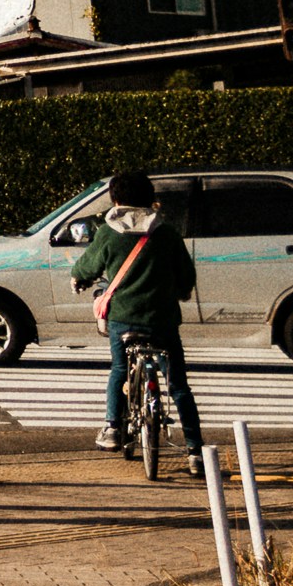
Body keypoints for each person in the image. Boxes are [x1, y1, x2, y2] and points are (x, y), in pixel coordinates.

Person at [73, 169, 202, 459]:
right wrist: (181, 291)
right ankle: (195, 450)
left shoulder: (108, 233)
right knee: (179, 385)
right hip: (163, 319)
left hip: (124, 317)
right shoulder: (167, 233)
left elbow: (86, 267)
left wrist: (77, 278)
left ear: (115, 199)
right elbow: (185, 275)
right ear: (150, 199)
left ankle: (111, 427)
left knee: (119, 369)